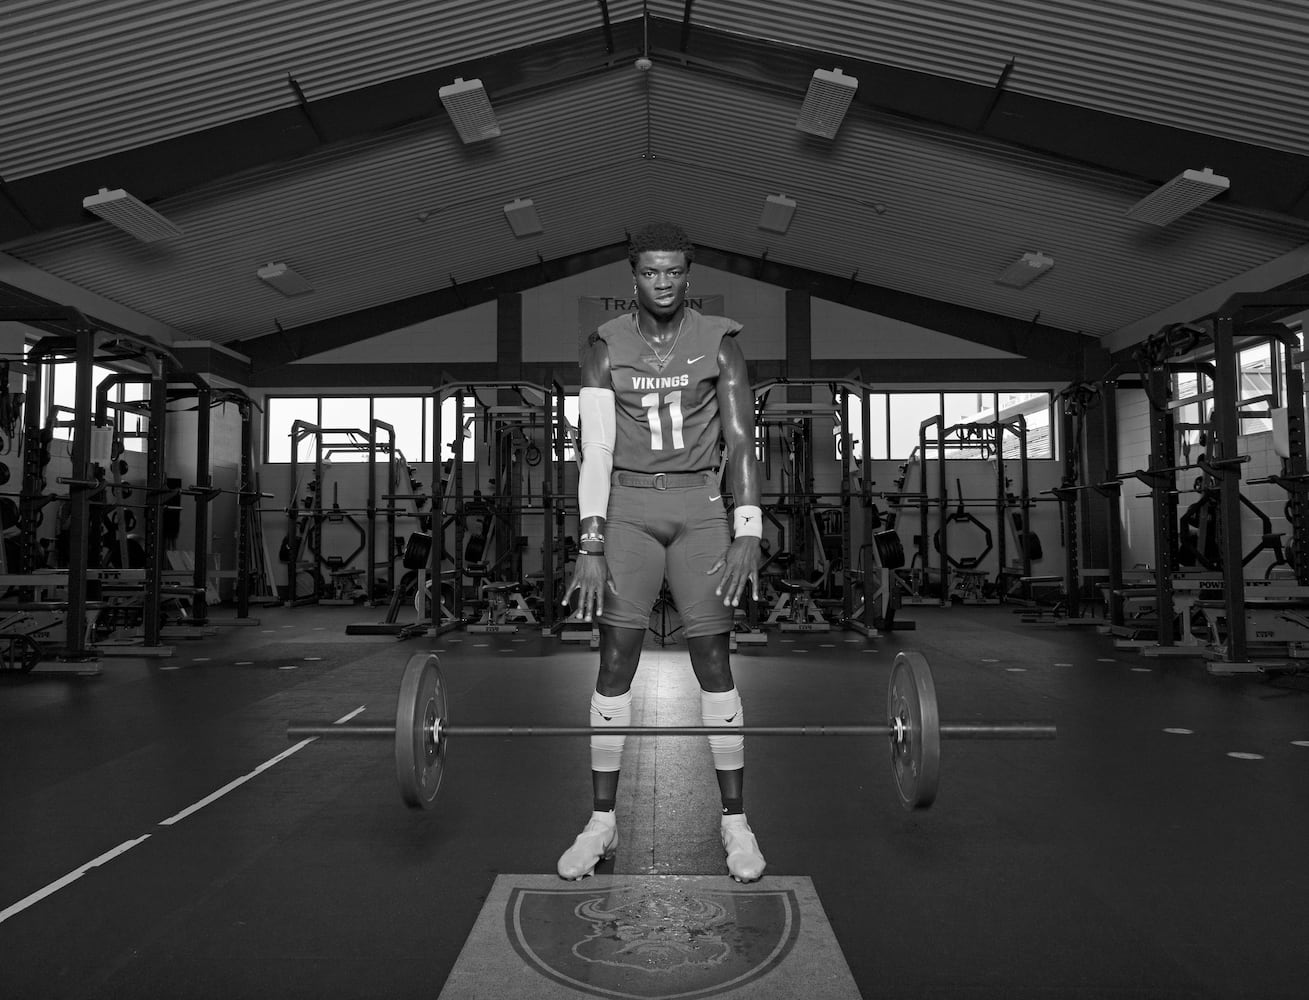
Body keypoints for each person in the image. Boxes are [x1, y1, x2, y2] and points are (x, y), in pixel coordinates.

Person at [558, 222, 765, 883]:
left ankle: (735, 823)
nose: (664, 282)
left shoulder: (721, 343)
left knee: (713, 660)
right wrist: (589, 542)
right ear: (633, 277)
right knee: (614, 662)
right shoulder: (601, 348)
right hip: (626, 511)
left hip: (702, 509)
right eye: (651, 272)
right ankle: (600, 820)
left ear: (687, 274)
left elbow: (740, 444)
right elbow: (592, 450)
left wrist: (748, 531)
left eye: (674, 271)